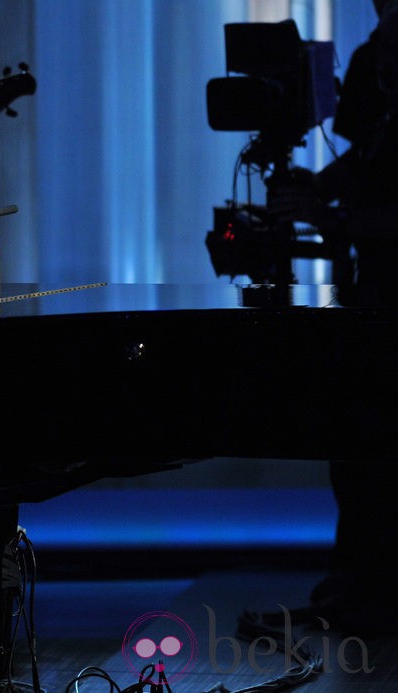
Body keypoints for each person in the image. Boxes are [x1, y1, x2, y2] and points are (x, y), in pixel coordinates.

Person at [267, 0, 398, 636]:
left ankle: (364, 597)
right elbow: (370, 158)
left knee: (372, 455)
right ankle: (353, 593)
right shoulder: (386, 103)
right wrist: (317, 195)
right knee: (359, 455)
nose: (377, 72)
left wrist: (334, 217)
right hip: (373, 302)